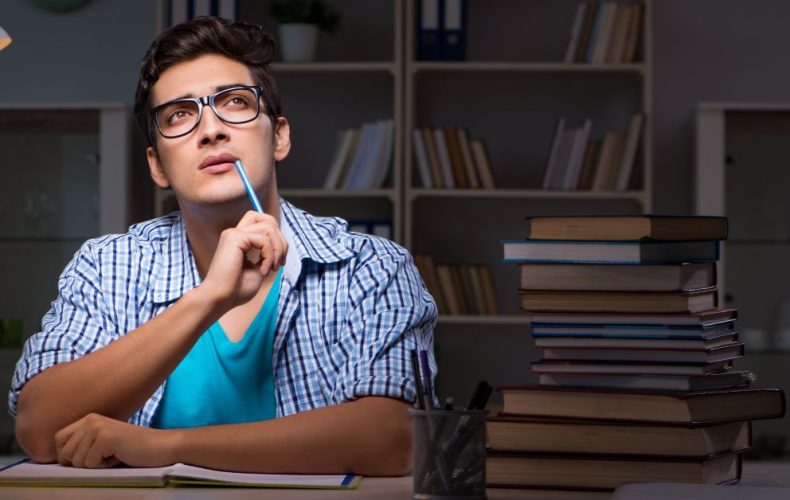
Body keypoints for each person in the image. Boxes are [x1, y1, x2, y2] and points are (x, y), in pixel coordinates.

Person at [8, 16, 437, 475]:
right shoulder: (107, 265)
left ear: (280, 136)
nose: (210, 129)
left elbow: (392, 439)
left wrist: (167, 445)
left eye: (234, 103)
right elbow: (39, 429)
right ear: (157, 165)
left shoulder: (369, 265)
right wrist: (209, 298)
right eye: (179, 114)